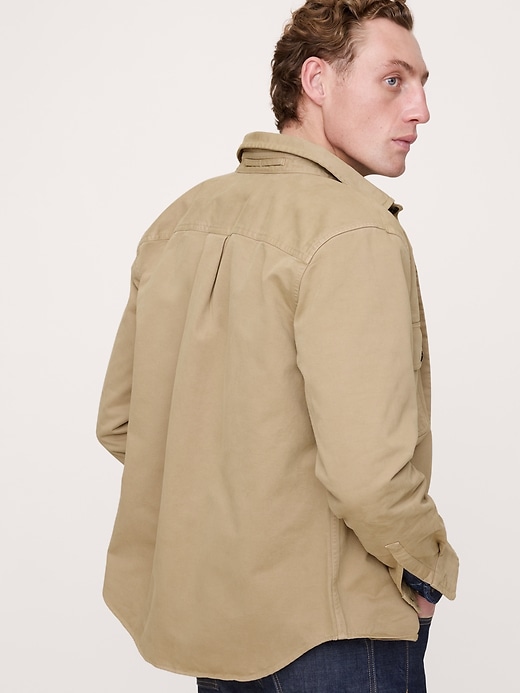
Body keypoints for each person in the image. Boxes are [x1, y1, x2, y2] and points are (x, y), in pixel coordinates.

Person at [96, 1, 459, 691]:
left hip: (215, 625)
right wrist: (428, 567)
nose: (420, 109)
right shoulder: (357, 231)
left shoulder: (180, 221)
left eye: (421, 84)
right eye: (393, 80)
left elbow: (122, 423)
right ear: (316, 82)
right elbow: (369, 477)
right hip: (333, 633)